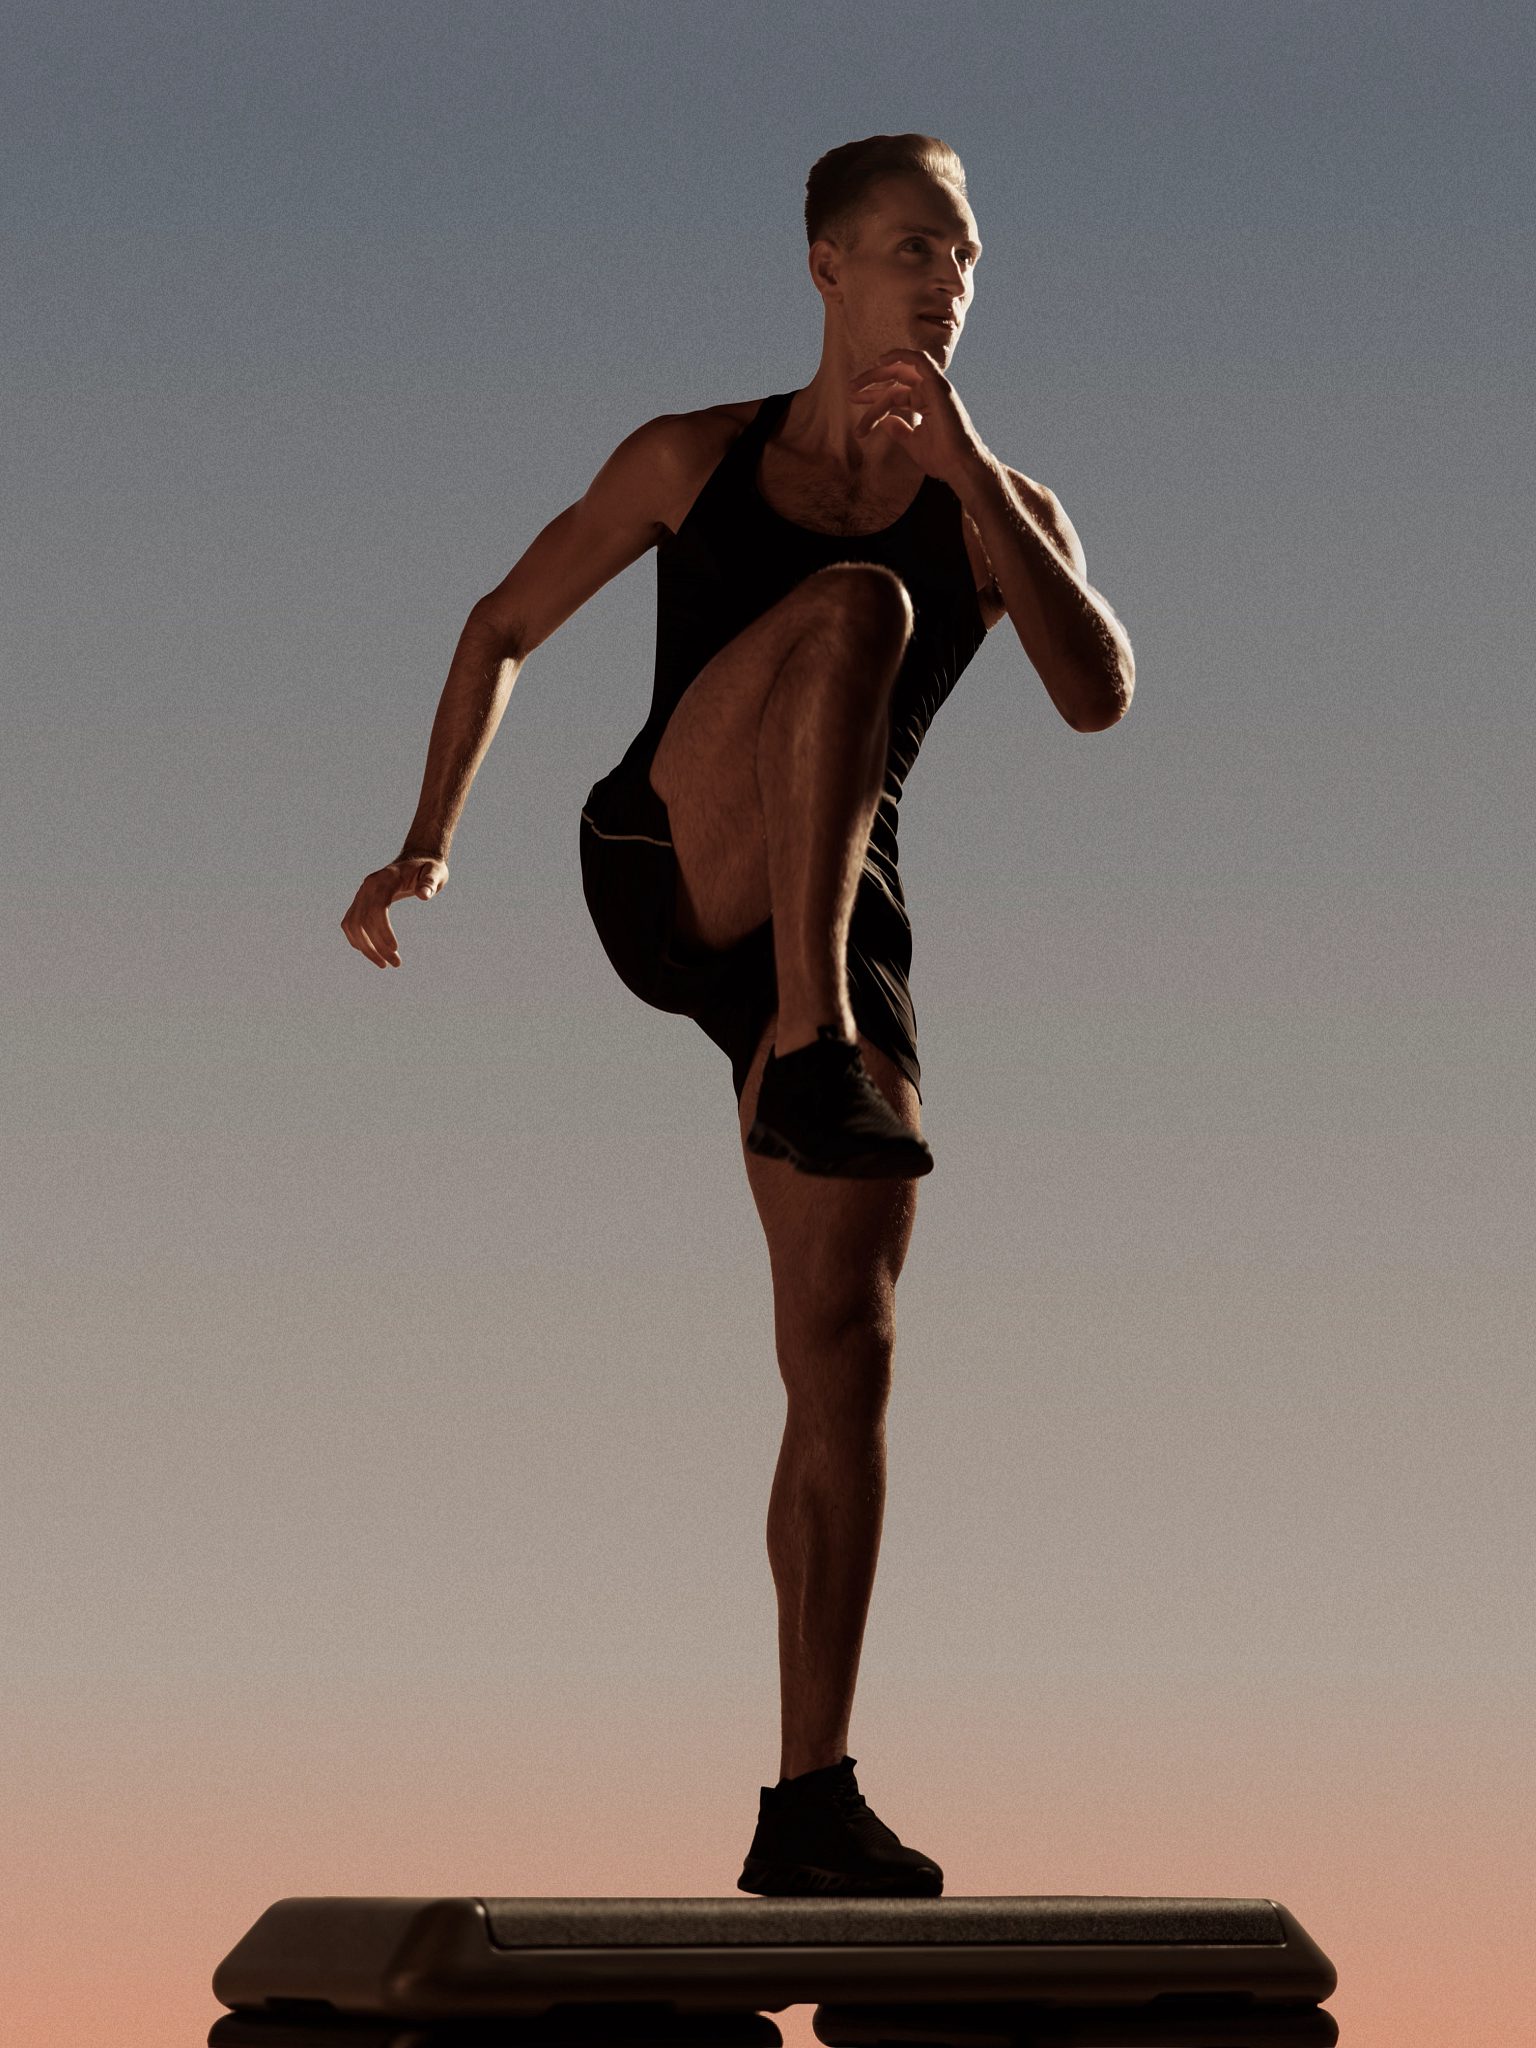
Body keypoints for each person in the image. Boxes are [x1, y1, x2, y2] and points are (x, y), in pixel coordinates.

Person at [341, 133, 1135, 1896]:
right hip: (672, 858)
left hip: (843, 929)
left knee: (841, 1355)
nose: (948, 279)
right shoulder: (696, 457)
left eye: (971, 257)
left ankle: (808, 1802)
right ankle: (811, 1041)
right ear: (826, 268)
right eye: (916, 246)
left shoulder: (997, 504)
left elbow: (1098, 695)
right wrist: (423, 847)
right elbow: (501, 624)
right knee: (852, 603)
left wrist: (980, 474)